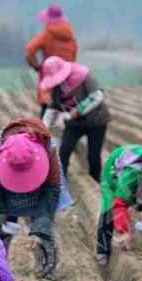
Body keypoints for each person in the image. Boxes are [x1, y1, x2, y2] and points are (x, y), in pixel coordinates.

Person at [0, 117, 61, 281]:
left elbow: (52, 190)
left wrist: (39, 228)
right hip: (6, 191)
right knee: (0, 233)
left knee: (45, 233)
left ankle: (49, 277)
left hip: (41, 190)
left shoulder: (48, 149)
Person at [40, 56, 111, 185]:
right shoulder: (56, 87)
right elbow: (53, 106)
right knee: (64, 151)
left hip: (96, 120)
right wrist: (42, 127)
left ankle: (96, 182)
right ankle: (60, 182)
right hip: (74, 123)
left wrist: (79, 109)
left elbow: (97, 95)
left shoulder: (84, 75)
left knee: (93, 155)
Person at [97, 145, 142, 266]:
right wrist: (123, 231)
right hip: (114, 171)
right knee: (109, 208)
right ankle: (102, 251)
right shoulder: (131, 176)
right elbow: (119, 204)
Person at [25, 3, 78, 118]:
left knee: (46, 110)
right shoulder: (71, 36)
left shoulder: (47, 34)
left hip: (50, 76)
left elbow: (29, 50)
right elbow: (74, 55)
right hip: (68, 77)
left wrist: (36, 66)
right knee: (67, 112)